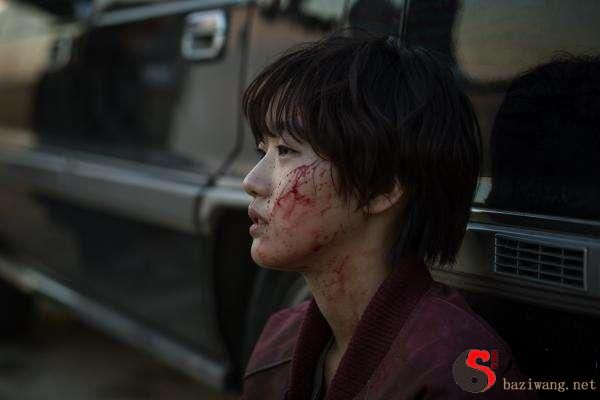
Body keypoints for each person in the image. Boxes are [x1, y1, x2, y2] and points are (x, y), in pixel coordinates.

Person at [240, 32, 538, 399]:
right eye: (263, 151)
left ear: (380, 188)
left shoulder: (455, 370)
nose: (252, 181)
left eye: (285, 150)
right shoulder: (278, 341)